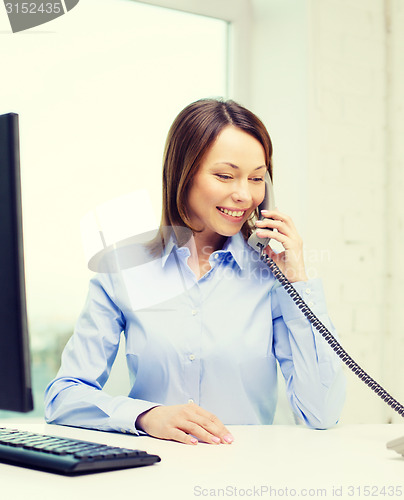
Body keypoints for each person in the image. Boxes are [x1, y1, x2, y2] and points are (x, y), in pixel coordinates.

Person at [44, 98, 345, 445]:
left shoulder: (271, 276)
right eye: (225, 176)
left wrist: (298, 282)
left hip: (244, 479)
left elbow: (322, 412)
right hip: (154, 475)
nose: (245, 195)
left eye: (257, 178)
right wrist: (146, 415)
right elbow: (63, 396)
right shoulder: (124, 270)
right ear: (183, 174)